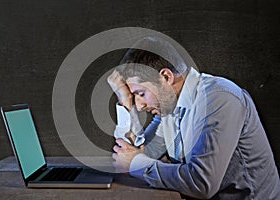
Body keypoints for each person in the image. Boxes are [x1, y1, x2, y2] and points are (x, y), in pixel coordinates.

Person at [107, 39, 280, 199]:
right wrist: (124, 102)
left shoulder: (219, 98)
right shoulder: (168, 108)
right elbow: (135, 155)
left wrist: (136, 163)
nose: (139, 105)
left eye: (140, 94)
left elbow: (202, 183)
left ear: (166, 77)